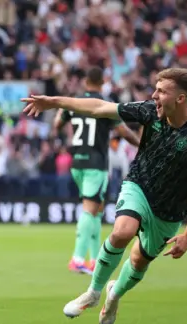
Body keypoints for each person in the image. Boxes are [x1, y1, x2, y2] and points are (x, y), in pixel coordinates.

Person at [22, 68, 187, 324]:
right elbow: (99, 107)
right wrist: (54, 101)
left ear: (181, 99)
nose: (154, 95)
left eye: (161, 91)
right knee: (122, 232)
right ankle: (92, 293)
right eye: (155, 89)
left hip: (170, 210)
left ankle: (113, 295)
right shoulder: (149, 110)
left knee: (138, 260)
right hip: (138, 185)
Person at [54, 67, 140, 275]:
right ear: (102, 82)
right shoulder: (104, 105)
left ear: (85, 82)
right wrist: (140, 144)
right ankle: (77, 259)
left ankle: (94, 260)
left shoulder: (73, 102)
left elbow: (57, 125)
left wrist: (61, 108)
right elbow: (122, 130)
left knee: (96, 211)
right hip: (96, 163)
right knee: (90, 209)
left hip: (78, 161)